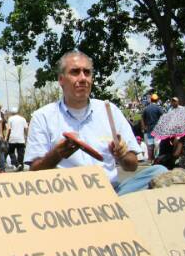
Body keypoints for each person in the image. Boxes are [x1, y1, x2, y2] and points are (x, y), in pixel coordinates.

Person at [24, 50, 166, 195]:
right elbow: (34, 173)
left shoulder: (109, 110)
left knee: (160, 172)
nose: (83, 78)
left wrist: (122, 154)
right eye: (75, 72)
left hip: (111, 192)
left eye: (87, 72)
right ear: (61, 79)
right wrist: (57, 154)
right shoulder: (43, 116)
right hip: (67, 197)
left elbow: (132, 165)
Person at [140, 93, 164, 163]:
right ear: (157, 100)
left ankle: (150, 159)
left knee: (150, 145)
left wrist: (144, 127)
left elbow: (142, 118)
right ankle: (156, 159)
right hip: (157, 129)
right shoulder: (158, 108)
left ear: (151, 100)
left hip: (149, 129)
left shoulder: (146, 109)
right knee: (157, 145)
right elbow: (163, 117)